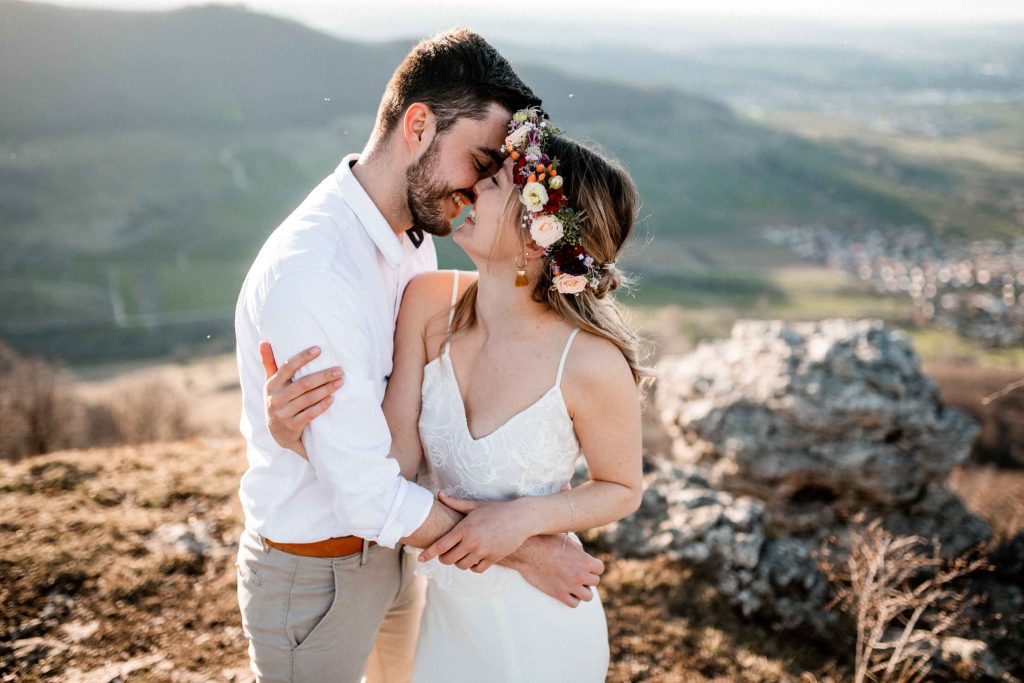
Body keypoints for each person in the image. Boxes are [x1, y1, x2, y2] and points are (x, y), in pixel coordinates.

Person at [233, 29, 605, 683]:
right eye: (481, 161)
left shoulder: (412, 239)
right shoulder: (316, 273)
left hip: (403, 554)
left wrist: (307, 436)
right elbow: (365, 491)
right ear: (418, 124)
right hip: (318, 571)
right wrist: (525, 550)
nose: (482, 187)